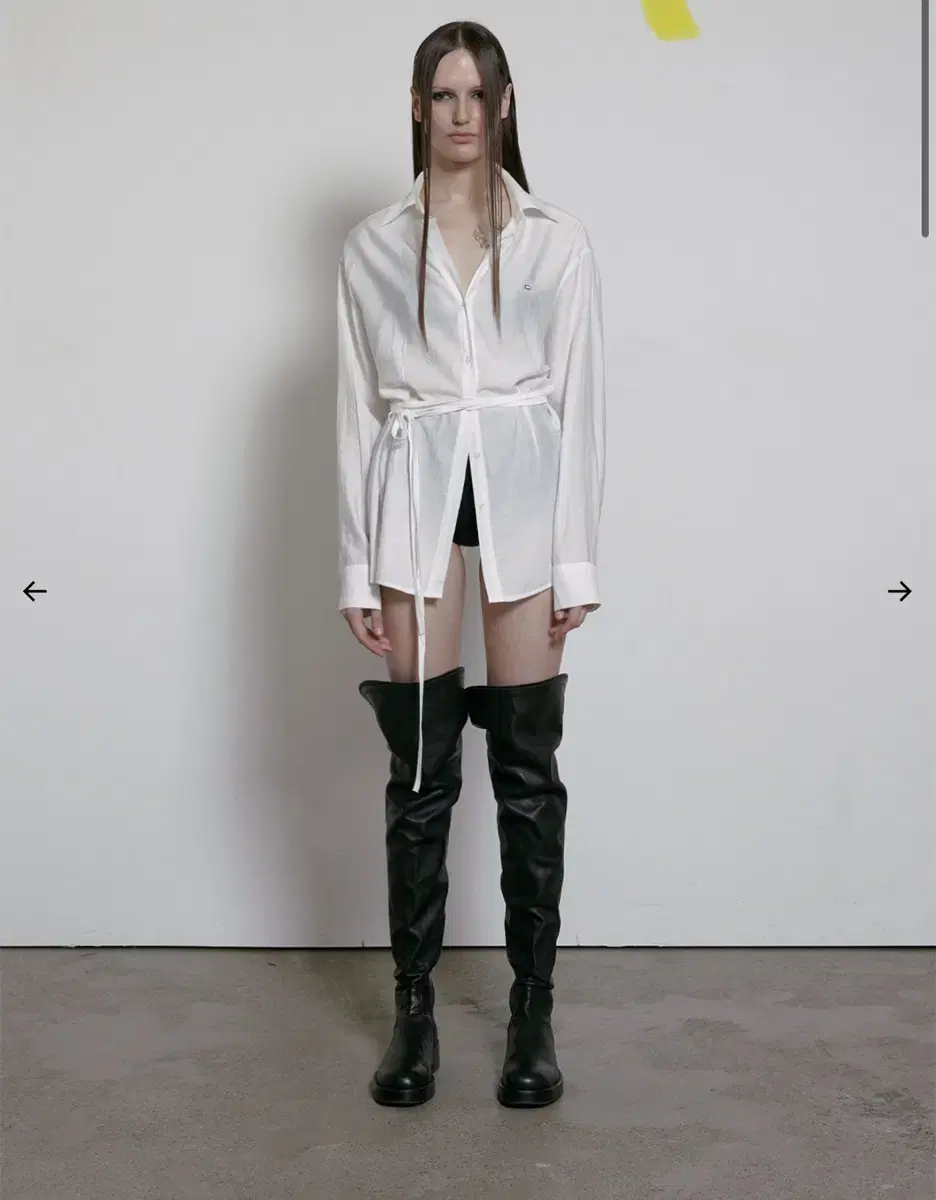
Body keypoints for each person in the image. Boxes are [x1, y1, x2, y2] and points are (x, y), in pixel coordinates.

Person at [335, 20, 606, 1110]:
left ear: (504, 105)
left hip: (525, 503)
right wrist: (355, 567)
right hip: (412, 501)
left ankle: (532, 1013)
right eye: (442, 95)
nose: (460, 113)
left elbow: (582, 406)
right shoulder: (371, 245)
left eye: (477, 95)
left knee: (529, 766)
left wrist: (576, 562)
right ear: (417, 107)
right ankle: (414, 1015)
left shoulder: (555, 240)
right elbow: (358, 412)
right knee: (419, 767)